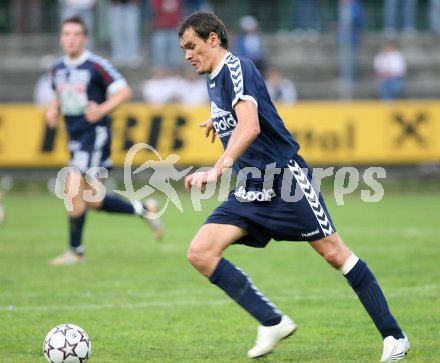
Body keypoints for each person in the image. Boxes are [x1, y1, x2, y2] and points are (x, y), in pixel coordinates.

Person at [179, 11, 410, 361]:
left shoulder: (236, 67)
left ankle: (395, 337)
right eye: (184, 48)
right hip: (250, 187)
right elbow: (242, 112)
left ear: (213, 39)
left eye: (191, 46)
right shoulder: (212, 76)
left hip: (285, 180)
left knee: (334, 253)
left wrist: (216, 169)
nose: (186, 55)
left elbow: (251, 125)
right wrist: (217, 117)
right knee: (200, 252)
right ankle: (272, 322)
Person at [46, 16, 163, 266]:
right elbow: (60, 94)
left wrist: (101, 109)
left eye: (77, 34)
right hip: (75, 137)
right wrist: (53, 110)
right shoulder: (57, 68)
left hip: (95, 135)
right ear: (61, 38)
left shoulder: (96, 65)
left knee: (71, 187)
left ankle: (75, 252)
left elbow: (124, 92)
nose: (71, 38)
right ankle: (144, 209)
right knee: (93, 201)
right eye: (67, 34)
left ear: (85, 38)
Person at [109, 0, 142, 67]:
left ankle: (132, 55)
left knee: (131, 31)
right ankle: (118, 55)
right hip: (116, 5)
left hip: (131, 5)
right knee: (117, 31)